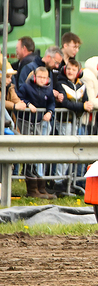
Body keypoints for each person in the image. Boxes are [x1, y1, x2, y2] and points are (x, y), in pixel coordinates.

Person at [16, 66, 56, 199]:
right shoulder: (26, 87)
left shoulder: (48, 89)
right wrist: (28, 104)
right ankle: (31, 187)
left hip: (39, 123)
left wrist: (49, 112)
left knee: (38, 152)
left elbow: (51, 103)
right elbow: (19, 98)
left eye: (45, 78)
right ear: (34, 77)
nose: (42, 80)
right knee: (29, 152)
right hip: (26, 122)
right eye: (40, 77)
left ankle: (41, 187)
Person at [53, 58, 93, 192]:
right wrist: (82, 106)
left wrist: (85, 105)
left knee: (72, 153)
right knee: (64, 152)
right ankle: (58, 181)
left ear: (79, 72)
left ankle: (67, 181)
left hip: (76, 123)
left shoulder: (82, 85)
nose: (70, 71)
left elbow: (86, 101)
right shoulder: (60, 83)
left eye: (73, 69)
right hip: (64, 122)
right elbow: (66, 104)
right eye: (68, 69)